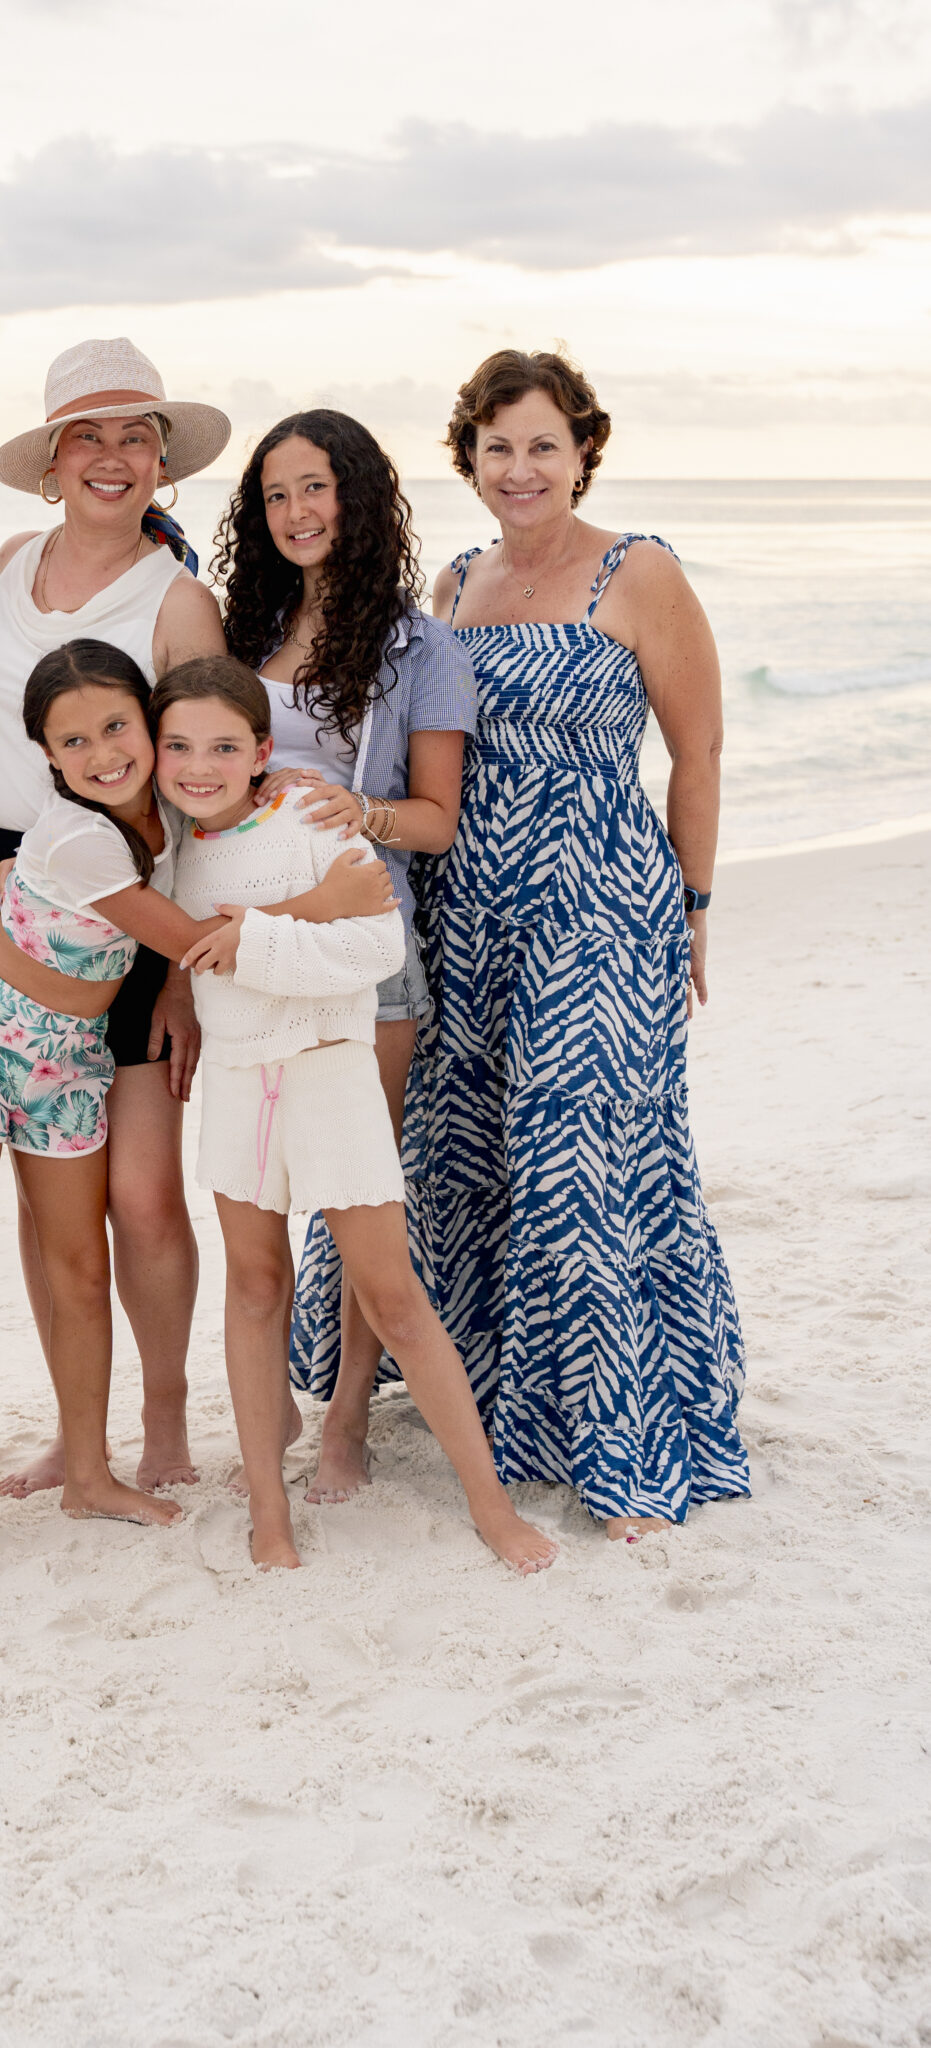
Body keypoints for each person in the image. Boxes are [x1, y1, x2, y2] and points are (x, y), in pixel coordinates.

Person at [0, 639, 376, 1587]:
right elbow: (201, 938)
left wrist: (267, 775)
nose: (101, 753)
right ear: (45, 754)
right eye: (71, 740)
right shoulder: (78, 836)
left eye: (118, 728)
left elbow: (213, 853)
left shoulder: (168, 805)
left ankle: (89, 1476)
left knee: (81, 1271)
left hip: (71, 1058)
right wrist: (327, 899)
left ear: (155, 732)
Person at [407, 348, 748, 1540]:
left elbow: (696, 755)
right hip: (467, 910)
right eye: (498, 446)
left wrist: (694, 909)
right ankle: (516, 1406)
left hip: (599, 905)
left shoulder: (637, 570)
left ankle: (630, 1447)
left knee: (579, 1165)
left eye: (543, 444)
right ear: (470, 459)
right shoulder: (454, 580)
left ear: (583, 451)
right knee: (473, 1156)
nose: (520, 467)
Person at [155, 655, 559, 1576]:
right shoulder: (169, 842)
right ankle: (269, 1510)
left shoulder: (307, 815)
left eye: (223, 745)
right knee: (255, 1291)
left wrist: (248, 939)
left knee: (393, 1297)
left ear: (262, 749)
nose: (199, 765)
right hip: (234, 1088)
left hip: (328, 1076)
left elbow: (375, 942)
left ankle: (490, 1508)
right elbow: (174, 938)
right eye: (177, 746)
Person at [0, 338, 231, 1496]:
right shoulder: (13, 560)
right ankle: (81, 1431)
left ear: (161, 461)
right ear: (53, 459)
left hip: (131, 911)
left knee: (143, 1193)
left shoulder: (178, 601)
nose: (112, 457)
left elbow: (209, 796)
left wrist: (180, 973)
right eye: (90, 435)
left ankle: (163, 1422)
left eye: (136, 436)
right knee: (49, 1192)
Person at [213, 409, 477, 1500]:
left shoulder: (422, 647)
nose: (295, 512)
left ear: (358, 496)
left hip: (368, 955)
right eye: (275, 495)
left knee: (359, 1198)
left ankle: (350, 1419)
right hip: (249, 956)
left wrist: (355, 809)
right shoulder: (246, 633)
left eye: (314, 487)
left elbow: (437, 820)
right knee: (258, 1199)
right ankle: (268, 1419)